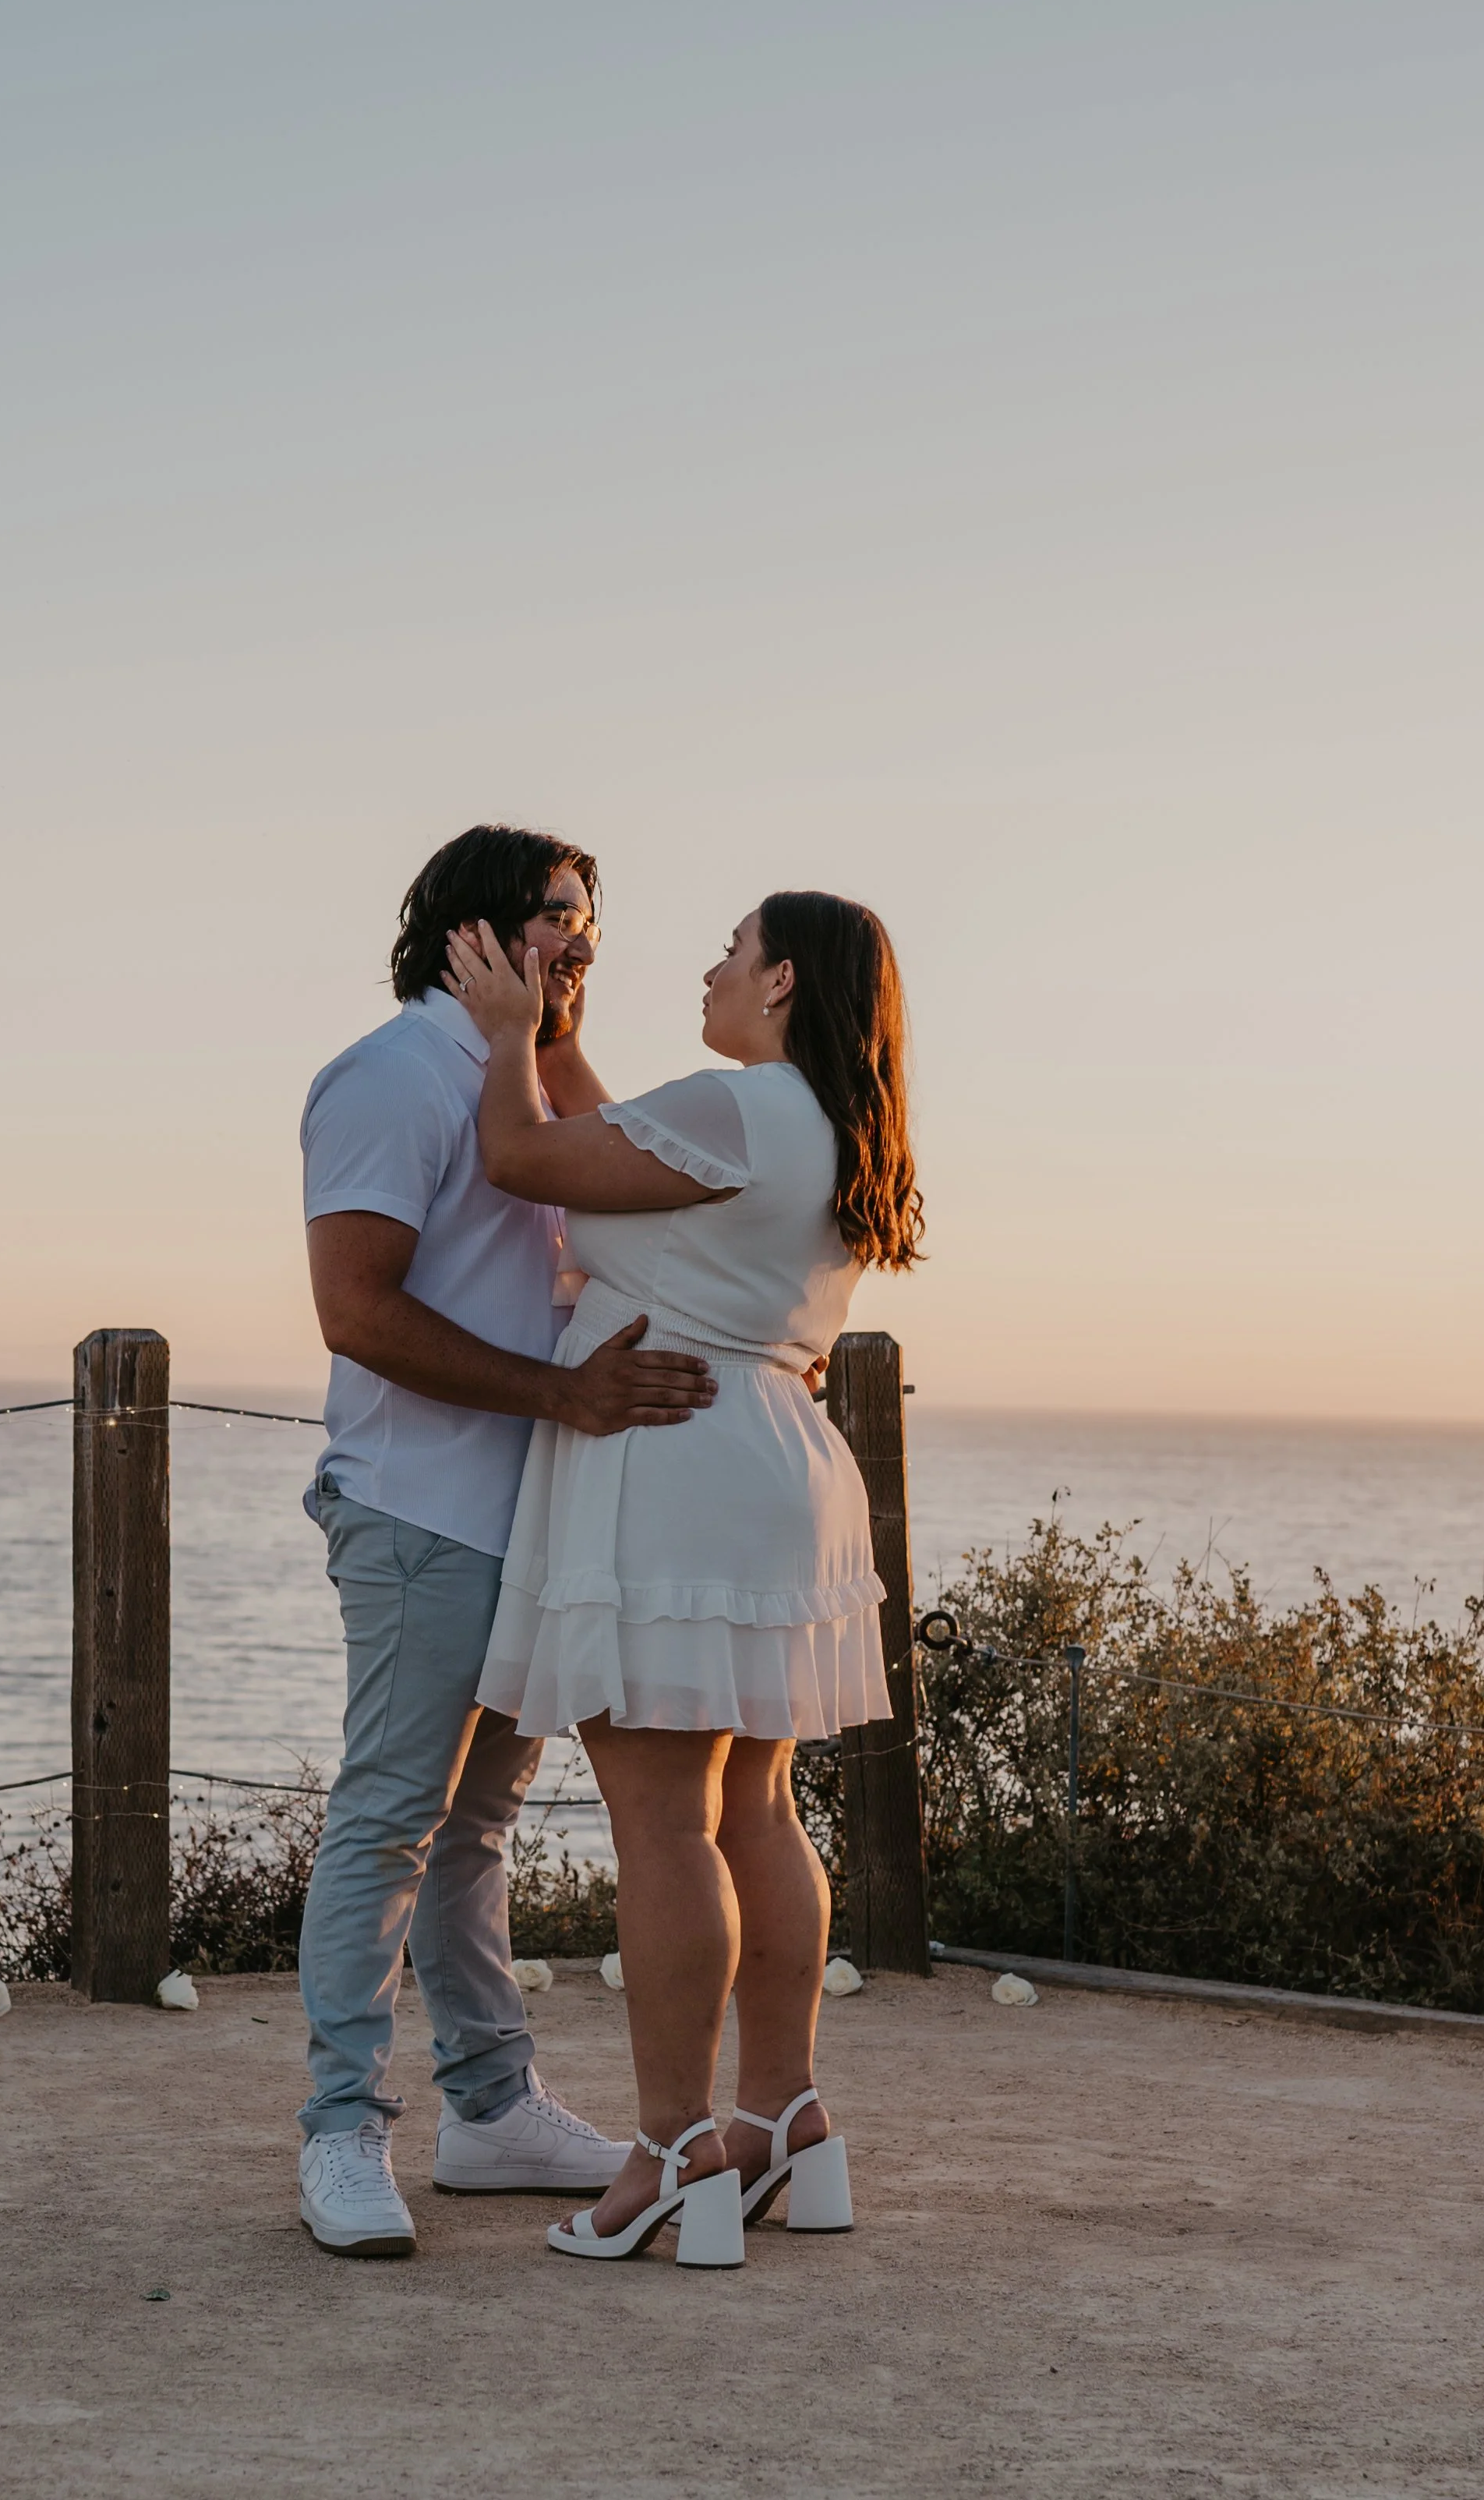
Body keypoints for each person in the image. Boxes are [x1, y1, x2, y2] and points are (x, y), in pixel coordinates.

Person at [444, 889, 924, 2268]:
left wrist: (504, 1033)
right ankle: (787, 2120)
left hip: (673, 1459)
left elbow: (527, 1157)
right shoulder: (828, 1122)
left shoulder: (738, 1106)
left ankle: (668, 2153)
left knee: (660, 1823)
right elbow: (614, 1141)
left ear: (780, 984)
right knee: (756, 1806)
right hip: (779, 1461)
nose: (710, 971)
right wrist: (559, 1031)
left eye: (731, 950)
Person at [295, 824, 718, 2258]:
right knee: (390, 1824)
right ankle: (342, 2131)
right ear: (473, 929)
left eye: (594, 925)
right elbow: (356, 1309)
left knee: (476, 1833)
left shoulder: (514, 1076)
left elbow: (636, 1172)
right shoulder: (387, 1077)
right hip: (420, 1512)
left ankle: (490, 2111)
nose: (583, 944)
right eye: (556, 918)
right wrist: (564, 1395)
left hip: (531, 1518)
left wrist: (534, 1034)